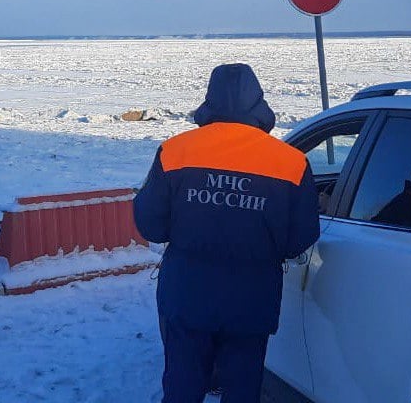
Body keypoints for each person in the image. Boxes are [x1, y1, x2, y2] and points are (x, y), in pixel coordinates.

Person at [134, 63, 320, 403]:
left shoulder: (175, 152)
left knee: (182, 387)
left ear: (210, 100)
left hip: (187, 295)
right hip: (252, 301)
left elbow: (150, 225)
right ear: (258, 102)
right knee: (243, 389)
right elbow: (302, 237)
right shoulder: (290, 162)